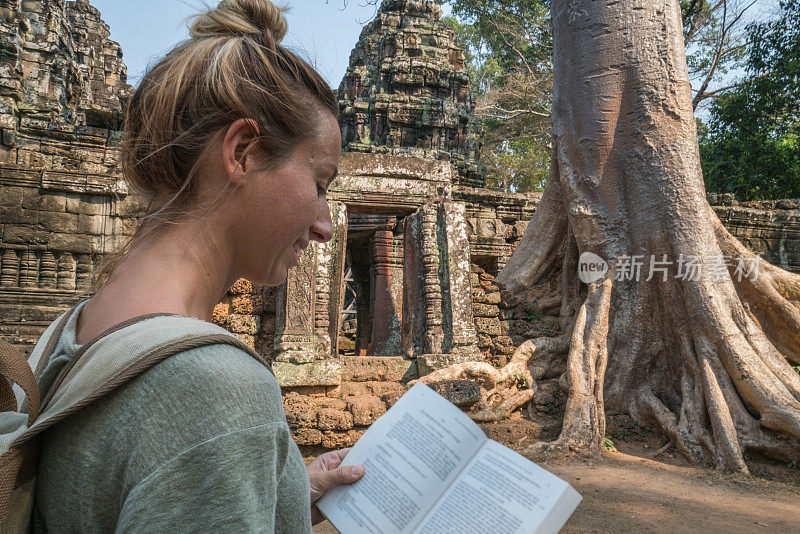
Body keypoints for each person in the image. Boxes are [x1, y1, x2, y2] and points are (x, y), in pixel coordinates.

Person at [31, 0, 363, 531]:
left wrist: (281, 489)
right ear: (243, 151)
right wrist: (231, 446)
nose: (326, 224)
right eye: (319, 185)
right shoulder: (215, 390)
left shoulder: (67, 332)